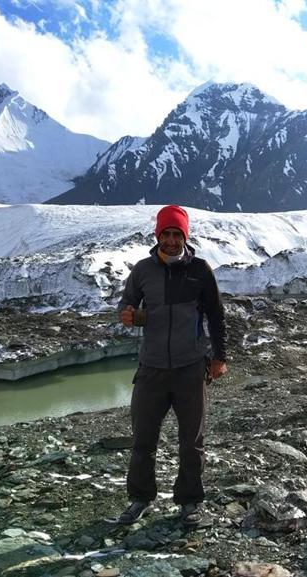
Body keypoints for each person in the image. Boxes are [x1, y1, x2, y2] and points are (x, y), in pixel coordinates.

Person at [109, 205, 228, 526]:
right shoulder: (143, 270)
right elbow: (127, 302)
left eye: (178, 234)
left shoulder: (201, 270)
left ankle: (189, 503)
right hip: (151, 369)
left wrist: (219, 357)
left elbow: (216, 316)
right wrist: (127, 312)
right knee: (143, 439)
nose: (172, 240)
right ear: (157, 235)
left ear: (185, 237)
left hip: (191, 368)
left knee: (192, 441)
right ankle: (139, 499)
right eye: (167, 234)